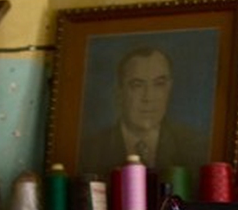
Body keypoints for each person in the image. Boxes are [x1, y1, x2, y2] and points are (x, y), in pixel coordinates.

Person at [78, 47, 204, 179]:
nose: (148, 97)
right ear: (119, 92)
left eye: (159, 84)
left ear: (169, 89)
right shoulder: (89, 152)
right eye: (137, 85)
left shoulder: (194, 147)